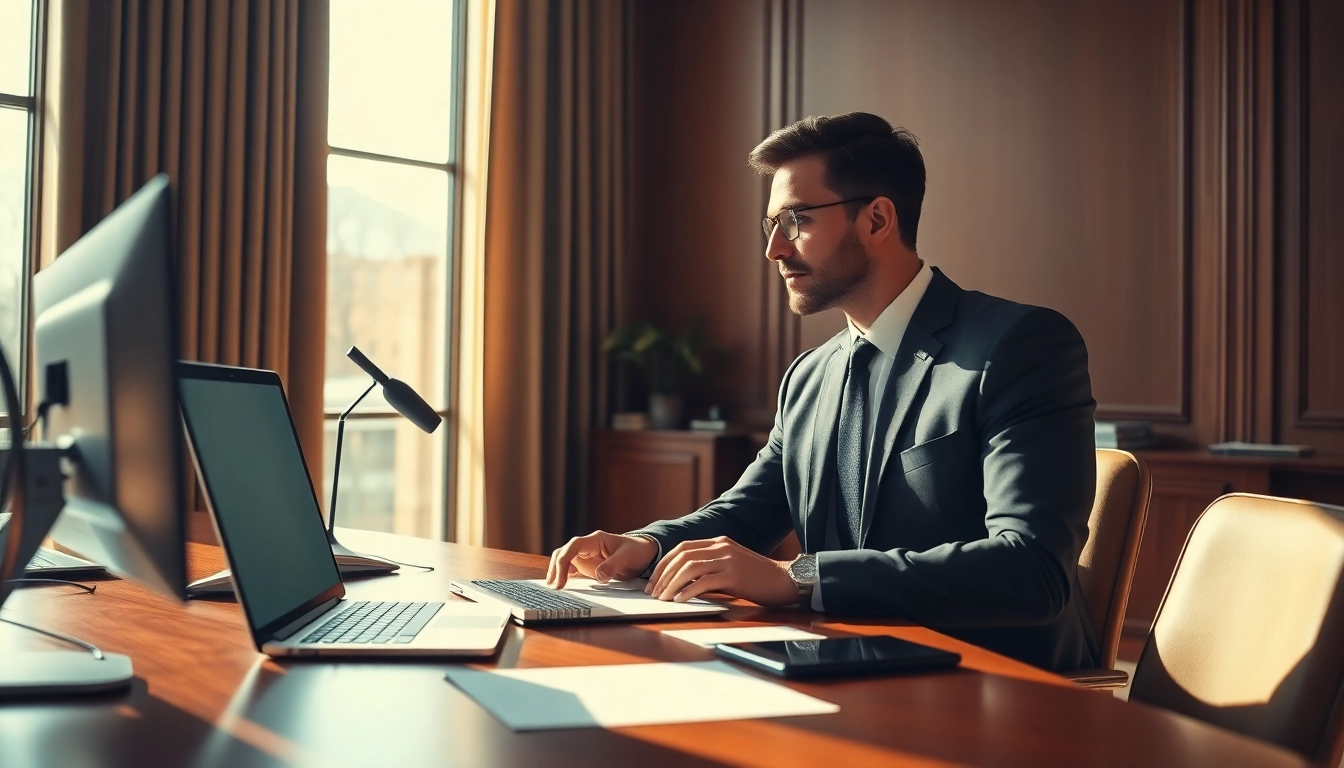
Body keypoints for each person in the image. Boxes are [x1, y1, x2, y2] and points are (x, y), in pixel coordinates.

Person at [547, 112, 1098, 672]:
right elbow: (745, 515)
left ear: (878, 218)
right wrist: (647, 545)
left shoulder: (1019, 345)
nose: (775, 251)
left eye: (796, 220)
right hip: (837, 667)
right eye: (771, 226)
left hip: (992, 689)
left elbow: (1032, 570)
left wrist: (799, 577)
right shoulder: (810, 375)